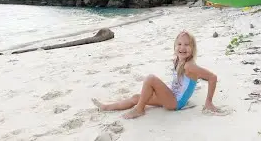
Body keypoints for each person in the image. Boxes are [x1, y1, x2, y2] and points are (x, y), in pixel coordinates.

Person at [91, 31, 219, 119]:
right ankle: (106, 107)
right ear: (175, 46)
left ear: (193, 48)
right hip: (172, 96)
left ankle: (139, 110)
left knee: (150, 79)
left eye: (187, 45)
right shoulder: (178, 60)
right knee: (137, 97)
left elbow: (212, 77)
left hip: (175, 103)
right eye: (179, 44)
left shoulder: (190, 66)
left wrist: (208, 102)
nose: (182, 48)